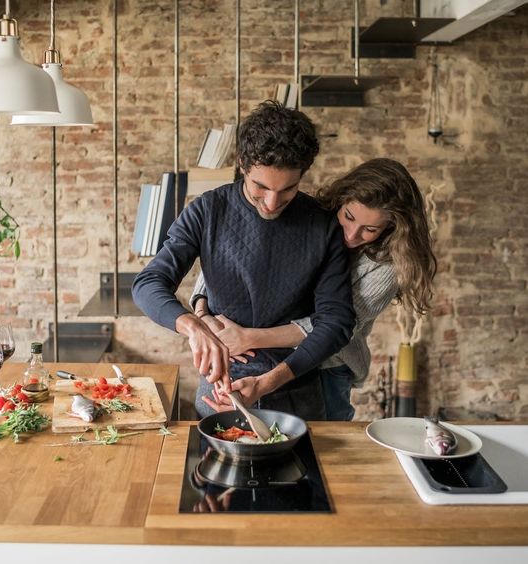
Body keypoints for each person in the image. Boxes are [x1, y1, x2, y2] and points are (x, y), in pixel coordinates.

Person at [132, 101, 356, 420]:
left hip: (297, 386)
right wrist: (194, 326)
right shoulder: (208, 211)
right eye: (260, 187)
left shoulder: (322, 224)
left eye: (288, 189)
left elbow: (336, 322)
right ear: (243, 164)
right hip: (222, 387)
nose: (272, 202)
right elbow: (148, 283)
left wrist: (267, 383)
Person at [192, 158, 437, 420]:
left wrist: (249, 337)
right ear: (341, 201)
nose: (351, 234)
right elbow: (229, 259)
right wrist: (201, 312)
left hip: (327, 368)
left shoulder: (387, 268)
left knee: (321, 447)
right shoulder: (311, 220)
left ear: (392, 228)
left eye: (370, 229)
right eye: (349, 217)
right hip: (263, 354)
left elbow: (332, 327)